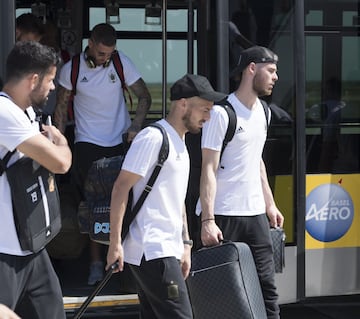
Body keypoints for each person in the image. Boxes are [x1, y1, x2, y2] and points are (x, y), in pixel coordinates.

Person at [106, 74, 226, 319]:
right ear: (183, 104)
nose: (208, 117)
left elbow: (177, 198)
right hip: (151, 248)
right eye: (204, 109)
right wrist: (115, 244)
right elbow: (121, 188)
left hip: (166, 248)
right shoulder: (153, 138)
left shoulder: (180, 142)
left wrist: (185, 245)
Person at [54, 23, 152, 285]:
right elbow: (61, 109)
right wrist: (59, 143)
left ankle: (126, 263)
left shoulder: (121, 64)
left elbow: (144, 97)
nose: (105, 58)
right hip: (87, 143)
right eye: (100, 54)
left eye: (109, 54)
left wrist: (135, 126)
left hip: (119, 142)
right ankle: (96, 264)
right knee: (94, 205)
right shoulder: (71, 69)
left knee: (125, 203)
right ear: (90, 44)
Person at [196, 46, 284, 319]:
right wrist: (207, 220)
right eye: (271, 70)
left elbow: (257, 161)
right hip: (224, 214)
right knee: (223, 292)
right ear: (251, 69)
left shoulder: (265, 113)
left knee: (266, 287)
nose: (276, 77)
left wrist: (270, 204)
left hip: (255, 214)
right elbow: (208, 168)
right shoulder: (222, 114)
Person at [0, 42, 71, 318]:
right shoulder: (5, 113)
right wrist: (62, 143)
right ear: (33, 80)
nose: (53, 88)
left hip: (30, 244)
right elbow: (61, 163)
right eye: (51, 80)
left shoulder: (26, 113)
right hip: (4, 249)